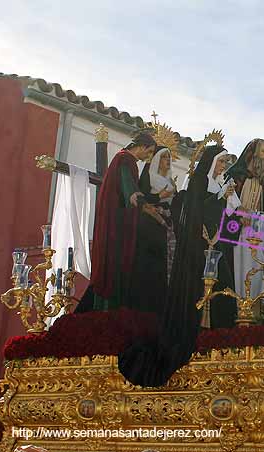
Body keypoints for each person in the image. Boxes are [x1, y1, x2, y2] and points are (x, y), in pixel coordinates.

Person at [118, 145, 240, 387]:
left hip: (217, 247)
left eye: (226, 163)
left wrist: (229, 211)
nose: (224, 167)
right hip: (198, 248)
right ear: (211, 161)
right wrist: (218, 206)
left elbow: (231, 219)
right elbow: (196, 213)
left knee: (225, 292)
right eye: (221, 161)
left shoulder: (223, 187)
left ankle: (221, 342)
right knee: (198, 293)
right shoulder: (197, 183)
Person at [88, 130, 158, 312]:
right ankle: (107, 314)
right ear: (142, 147)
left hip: (112, 220)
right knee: (114, 266)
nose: (148, 157)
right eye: (149, 152)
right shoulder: (127, 160)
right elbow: (130, 190)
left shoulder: (120, 158)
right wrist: (143, 204)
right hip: (117, 225)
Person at [125, 146, 177, 314]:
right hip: (150, 224)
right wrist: (159, 197)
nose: (167, 160)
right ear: (156, 160)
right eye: (163, 157)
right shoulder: (149, 176)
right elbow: (142, 198)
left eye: (169, 157)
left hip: (167, 224)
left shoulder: (170, 180)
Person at [223, 138, 264, 214]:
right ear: (253, 153)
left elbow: (259, 210)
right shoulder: (236, 174)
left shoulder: (259, 181)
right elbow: (226, 202)